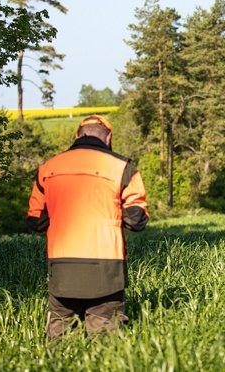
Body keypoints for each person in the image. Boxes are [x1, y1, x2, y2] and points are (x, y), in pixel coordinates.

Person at [27, 114, 149, 339]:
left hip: (61, 264)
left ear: (77, 135)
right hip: (106, 264)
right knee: (106, 338)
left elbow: (36, 220)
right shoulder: (122, 167)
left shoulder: (47, 168)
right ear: (109, 137)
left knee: (60, 335)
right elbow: (137, 220)